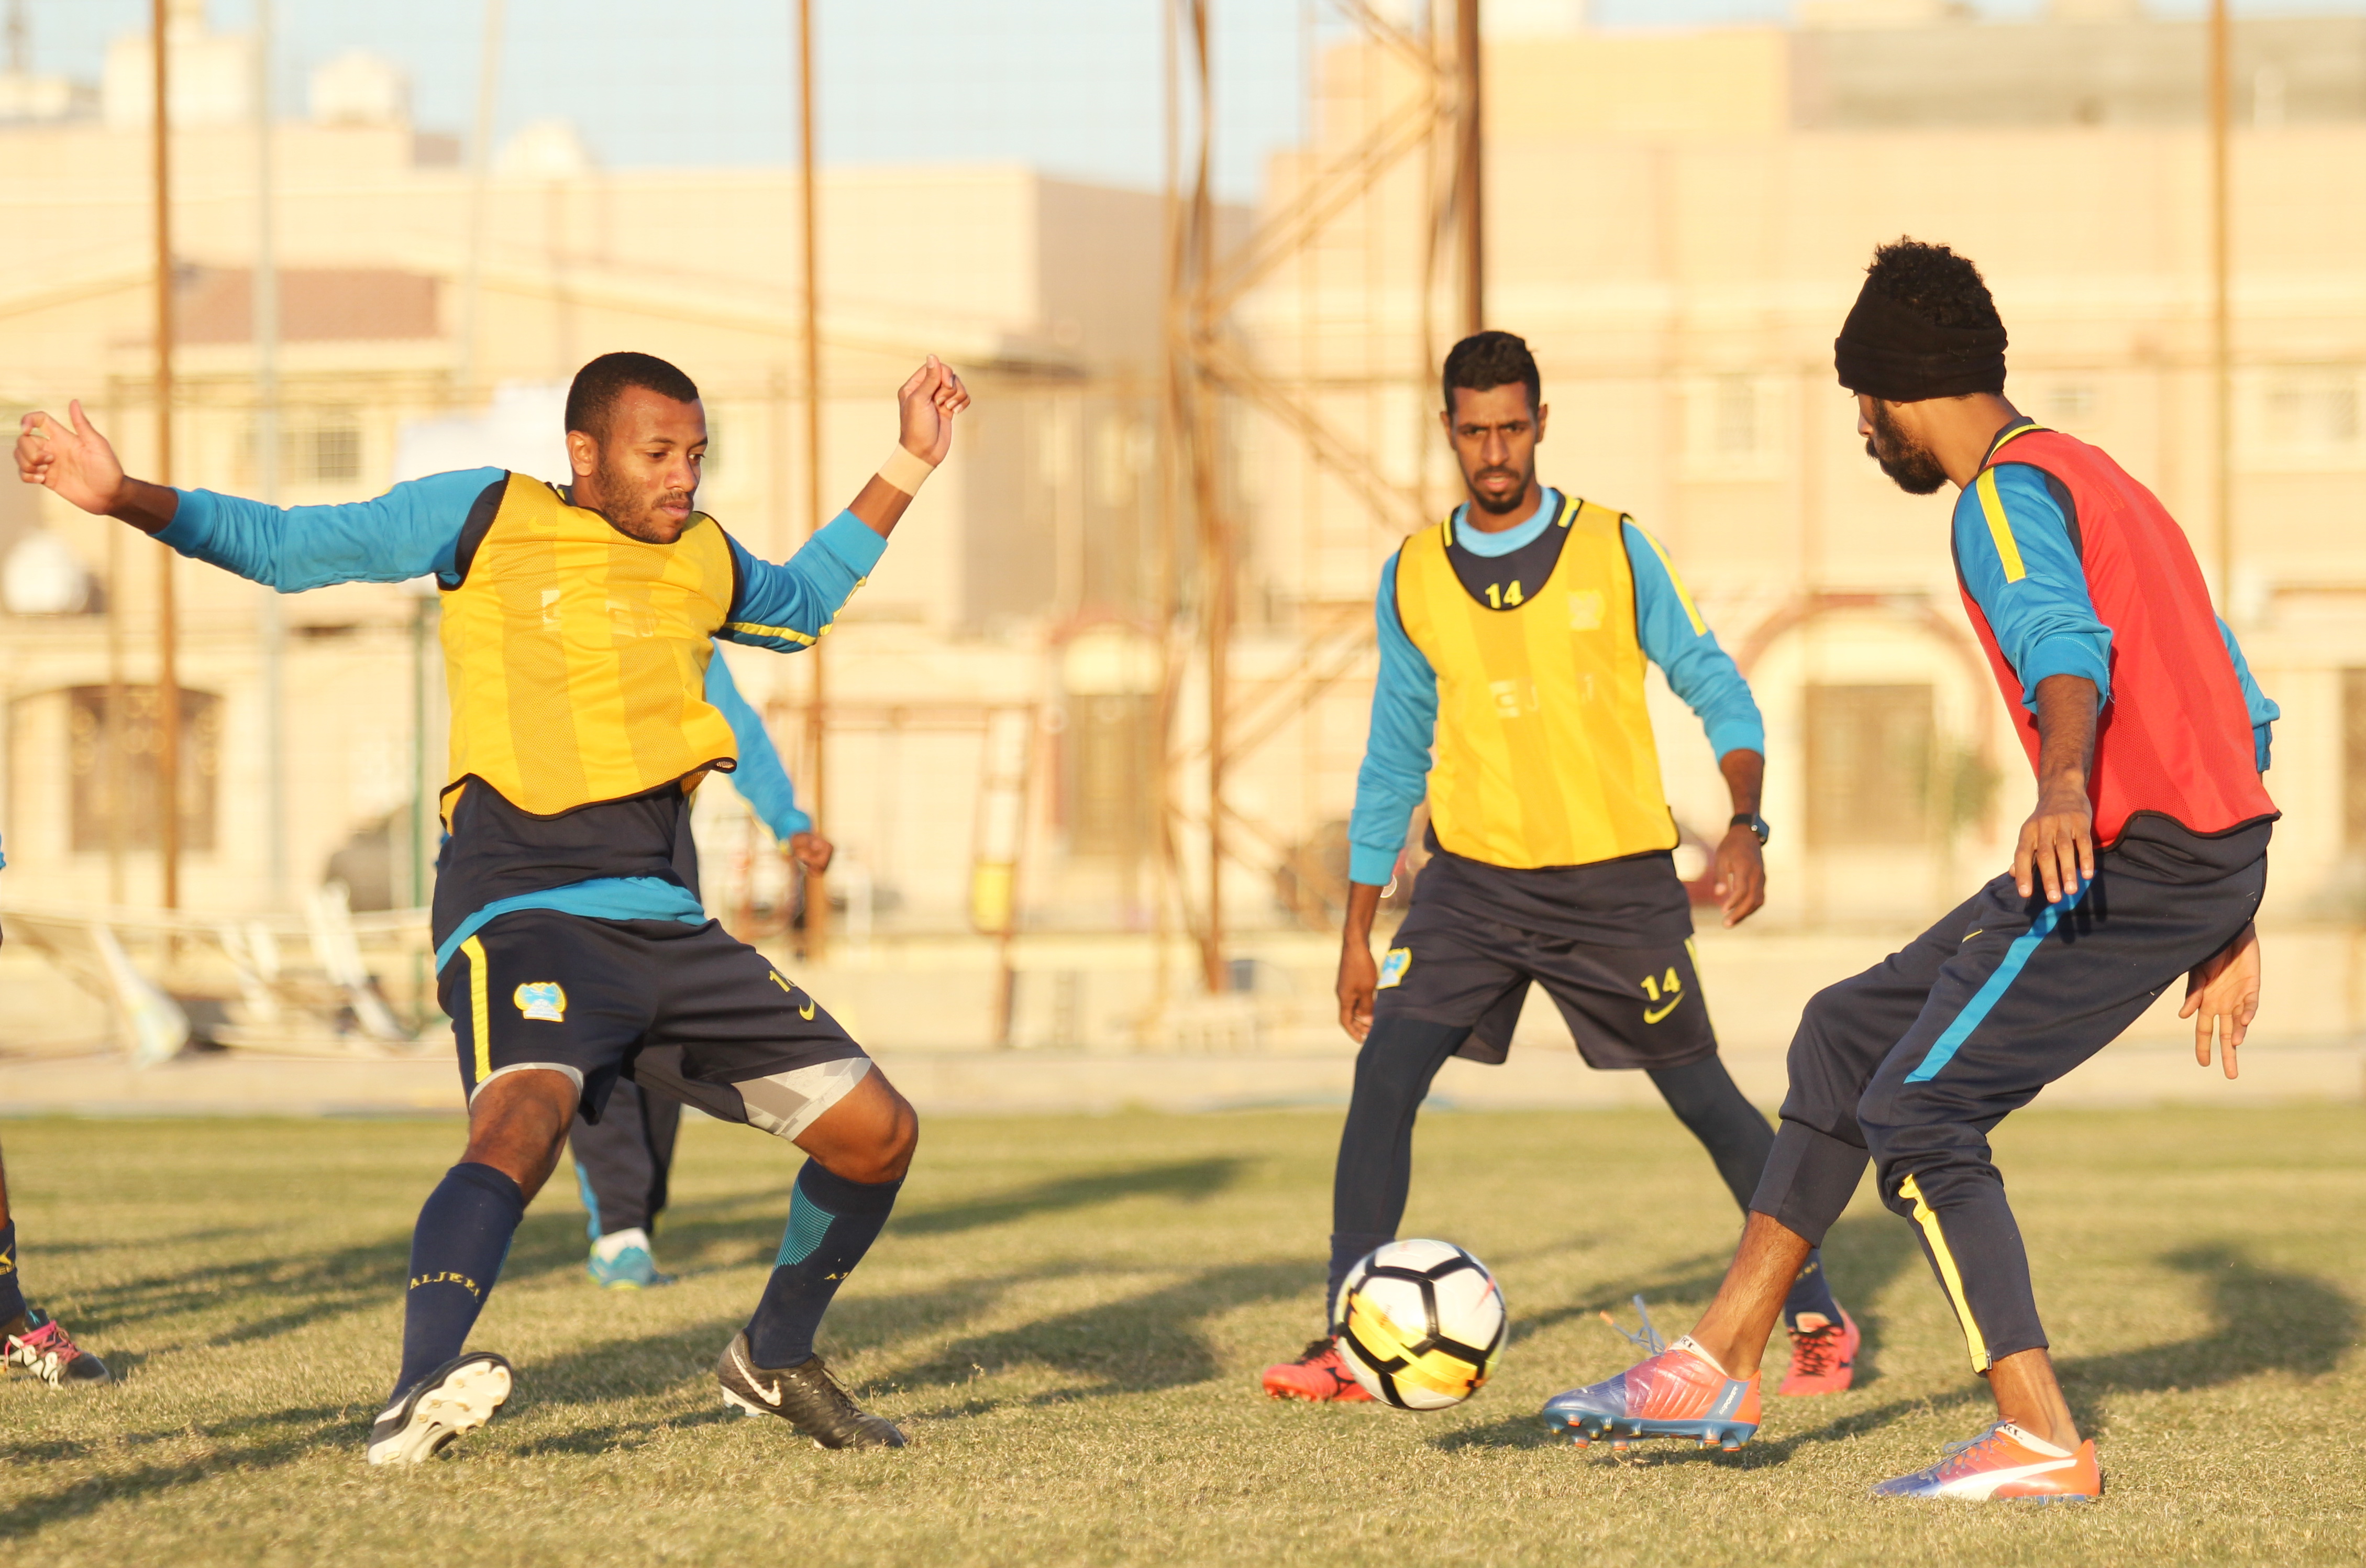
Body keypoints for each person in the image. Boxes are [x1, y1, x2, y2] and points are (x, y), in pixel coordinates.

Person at [16, 349, 968, 1461]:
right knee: (521, 1125)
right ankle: (419, 1387)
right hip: (523, 903)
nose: (684, 478)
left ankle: (774, 1357)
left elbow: (799, 606)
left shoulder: (704, 554)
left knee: (877, 1135)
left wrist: (909, 459)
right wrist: (123, 496)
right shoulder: (486, 515)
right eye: (658, 454)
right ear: (584, 452)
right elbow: (286, 549)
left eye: (696, 456)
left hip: (667, 920)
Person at [1541, 240, 2277, 1502]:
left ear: (1892, 390)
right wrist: (2231, 896)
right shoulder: (2099, 477)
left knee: (1922, 1108)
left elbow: (2063, 643)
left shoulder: (1997, 497)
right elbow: (2238, 695)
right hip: (2184, 852)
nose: (1864, 432)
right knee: (1841, 1037)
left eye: (1859, 407)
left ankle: (2039, 1431)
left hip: (2136, 854)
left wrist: (2064, 785)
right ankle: (1718, 1357)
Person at [1262, 331, 1856, 1405]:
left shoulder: (1615, 548)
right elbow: (1393, 757)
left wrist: (1746, 823)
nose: (1494, 449)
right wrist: (1356, 930)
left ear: (1542, 422)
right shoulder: (1415, 574)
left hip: (1614, 885)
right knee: (1384, 1079)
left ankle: (1816, 1313)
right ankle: (1351, 1341)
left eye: (1512, 425)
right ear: (1448, 430)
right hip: (1472, 886)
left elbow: (1716, 685)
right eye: (1474, 429)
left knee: (1708, 1103)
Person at [569, 654, 834, 1291]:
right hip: (563, 870)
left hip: (663, 866)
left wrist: (789, 822)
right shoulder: (549, 622)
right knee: (593, 1054)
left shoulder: (681, 632)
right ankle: (620, 1230)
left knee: (666, 1052)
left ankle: (635, 1219)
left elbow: (737, 730)